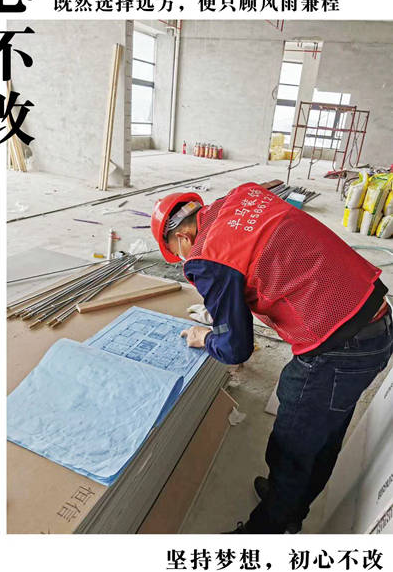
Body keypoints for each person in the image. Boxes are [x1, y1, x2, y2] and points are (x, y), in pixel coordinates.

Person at [151, 182, 393, 533]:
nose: (186, 260)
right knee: (324, 431)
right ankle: (290, 507)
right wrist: (224, 303)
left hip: (340, 345)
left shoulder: (207, 257)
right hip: (373, 317)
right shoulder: (242, 197)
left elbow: (236, 349)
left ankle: (268, 528)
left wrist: (207, 337)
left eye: (180, 254)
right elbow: (261, 257)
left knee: (291, 446)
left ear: (183, 237)